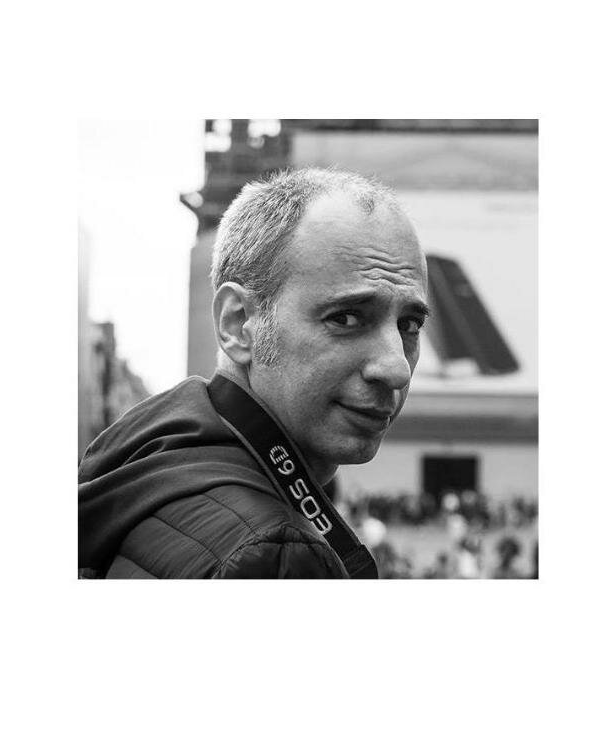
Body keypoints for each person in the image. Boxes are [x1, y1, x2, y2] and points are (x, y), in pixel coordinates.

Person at [78, 167, 429, 578]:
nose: (397, 368)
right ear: (238, 323)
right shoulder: (275, 554)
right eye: (346, 318)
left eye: (409, 325)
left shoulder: (151, 458)